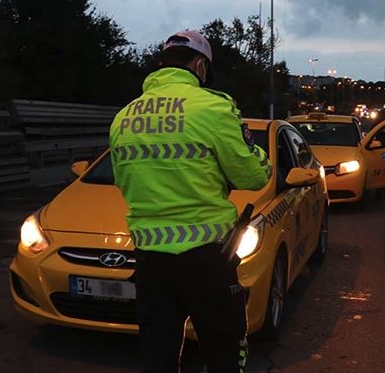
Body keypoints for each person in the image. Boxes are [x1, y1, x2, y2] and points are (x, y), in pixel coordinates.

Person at [109, 30, 271, 373]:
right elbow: (254, 176)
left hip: (151, 262)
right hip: (208, 260)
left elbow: (124, 182)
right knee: (225, 357)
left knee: (158, 359)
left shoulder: (124, 117)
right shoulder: (214, 107)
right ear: (200, 66)